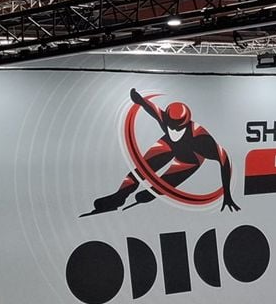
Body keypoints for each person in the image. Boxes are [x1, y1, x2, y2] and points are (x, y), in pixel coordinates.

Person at [84, 88, 239, 215]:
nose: (173, 130)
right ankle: (118, 197)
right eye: (170, 126)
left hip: (190, 158)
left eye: (177, 128)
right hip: (168, 144)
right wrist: (138, 99)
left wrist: (227, 194)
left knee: (163, 184)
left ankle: (152, 193)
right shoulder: (165, 119)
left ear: (185, 124)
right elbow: (151, 108)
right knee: (141, 171)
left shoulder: (201, 139)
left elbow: (224, 160)